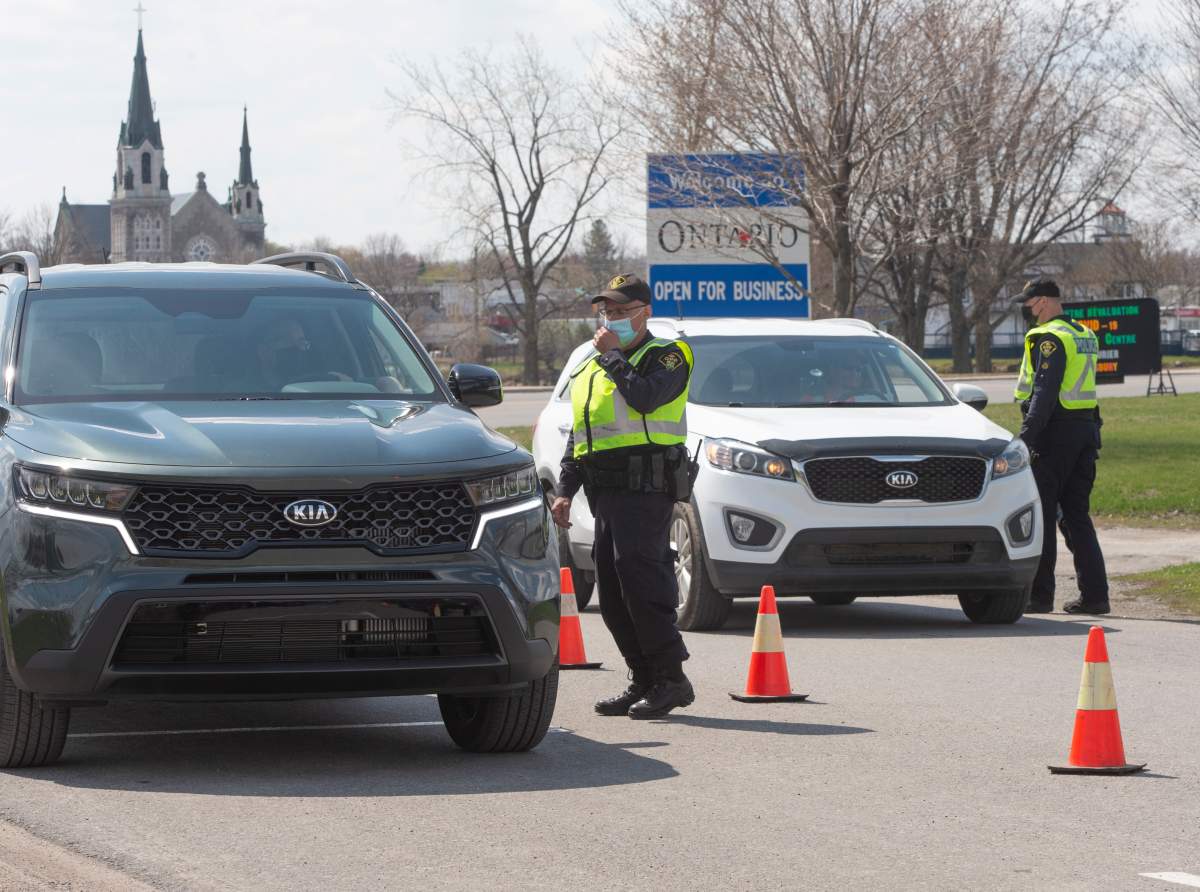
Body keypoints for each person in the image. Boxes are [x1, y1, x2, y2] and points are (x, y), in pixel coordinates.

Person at [550, 273, 695, 719]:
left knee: (643, 583)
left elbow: (646, 399)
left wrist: (613, 354)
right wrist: (564, 490)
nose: (611, 319)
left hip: (647, 487)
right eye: (606, 312)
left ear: (644, 313)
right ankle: (642, 677)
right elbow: (583, 432)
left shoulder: (668, 355)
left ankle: (672, 678)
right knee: (612, 595)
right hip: (606, 493)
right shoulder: (591, 366)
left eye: (620, 311)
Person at [1012, 278, 1110, 615]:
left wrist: (1025, 440)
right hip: (1085, 431)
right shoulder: (1083, 334)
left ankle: (1040, 595)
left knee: (1042, 511)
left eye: (1028, 303)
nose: (1026, 309)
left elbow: (1044, 393)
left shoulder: (1048, 337)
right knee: (1076, 516)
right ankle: (1096, 596)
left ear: (1042, 302)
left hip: (1055, 435)